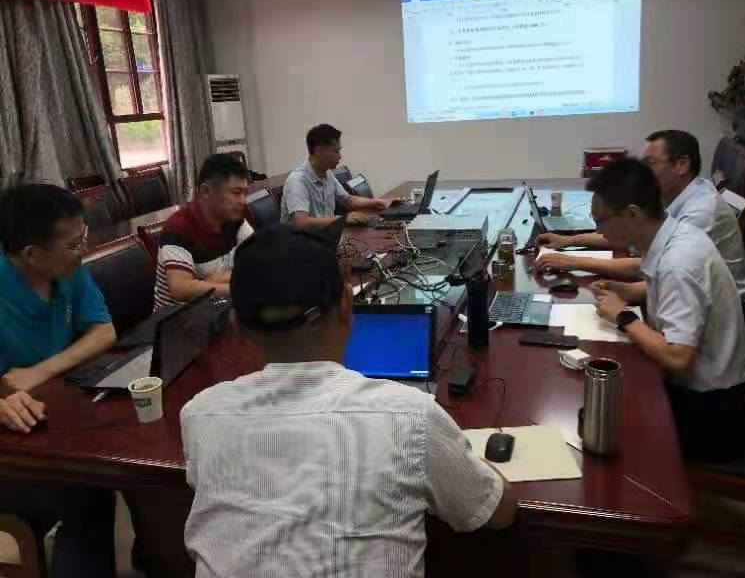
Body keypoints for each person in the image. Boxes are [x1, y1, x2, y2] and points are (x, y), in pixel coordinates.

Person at [180, 225, 517, 576]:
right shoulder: (410, 415)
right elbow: (498, 511)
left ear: (237, 326)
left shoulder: (200, 415)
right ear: (346, 304)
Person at [588, 159, 745, 462]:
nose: (598, 229)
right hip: (706, 398)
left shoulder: (679, 263)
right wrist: (625, 291)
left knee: (602, 429)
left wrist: (623, 315)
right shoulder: (675, 234)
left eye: (600, 220)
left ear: (632, 214)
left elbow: (678, 358)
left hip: (710, 416)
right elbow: (674, 295)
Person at [0, 184, 119, 577]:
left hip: (54, 416)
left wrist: (41, 371)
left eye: (83, 237)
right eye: (73, 244)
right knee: (85, 489)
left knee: (109, 470)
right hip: (14, 442)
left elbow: (104, 331)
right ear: (31, 253)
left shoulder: (67, 270)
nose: (83, 250)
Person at [535, 130, 745, 297]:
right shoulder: (673, 195)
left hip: (716, 314)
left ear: (682, 165)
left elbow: (648, 267)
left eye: (651, 163)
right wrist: (569, 241)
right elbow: (627, 234)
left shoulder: (701, 212)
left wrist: (575, 262)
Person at [154, 153, 254, 310]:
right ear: (206, 191)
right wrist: (238, 288)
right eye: (236, 193)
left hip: (219, 307)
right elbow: (180, 289)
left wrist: (213, 280)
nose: (242, 200)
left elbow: (258, 262)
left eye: (245, 193)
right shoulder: (179, 229)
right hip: (179, 318)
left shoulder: (235, 220)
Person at [280, 124, 396, 228]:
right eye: (336, 151)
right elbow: (301, 222)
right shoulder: (298, 180)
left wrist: (380, 202)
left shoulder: (327, 174)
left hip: (325, 236)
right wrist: (341, 220)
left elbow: (349, 200)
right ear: (319, 151)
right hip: (303, 242)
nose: (340, 157)